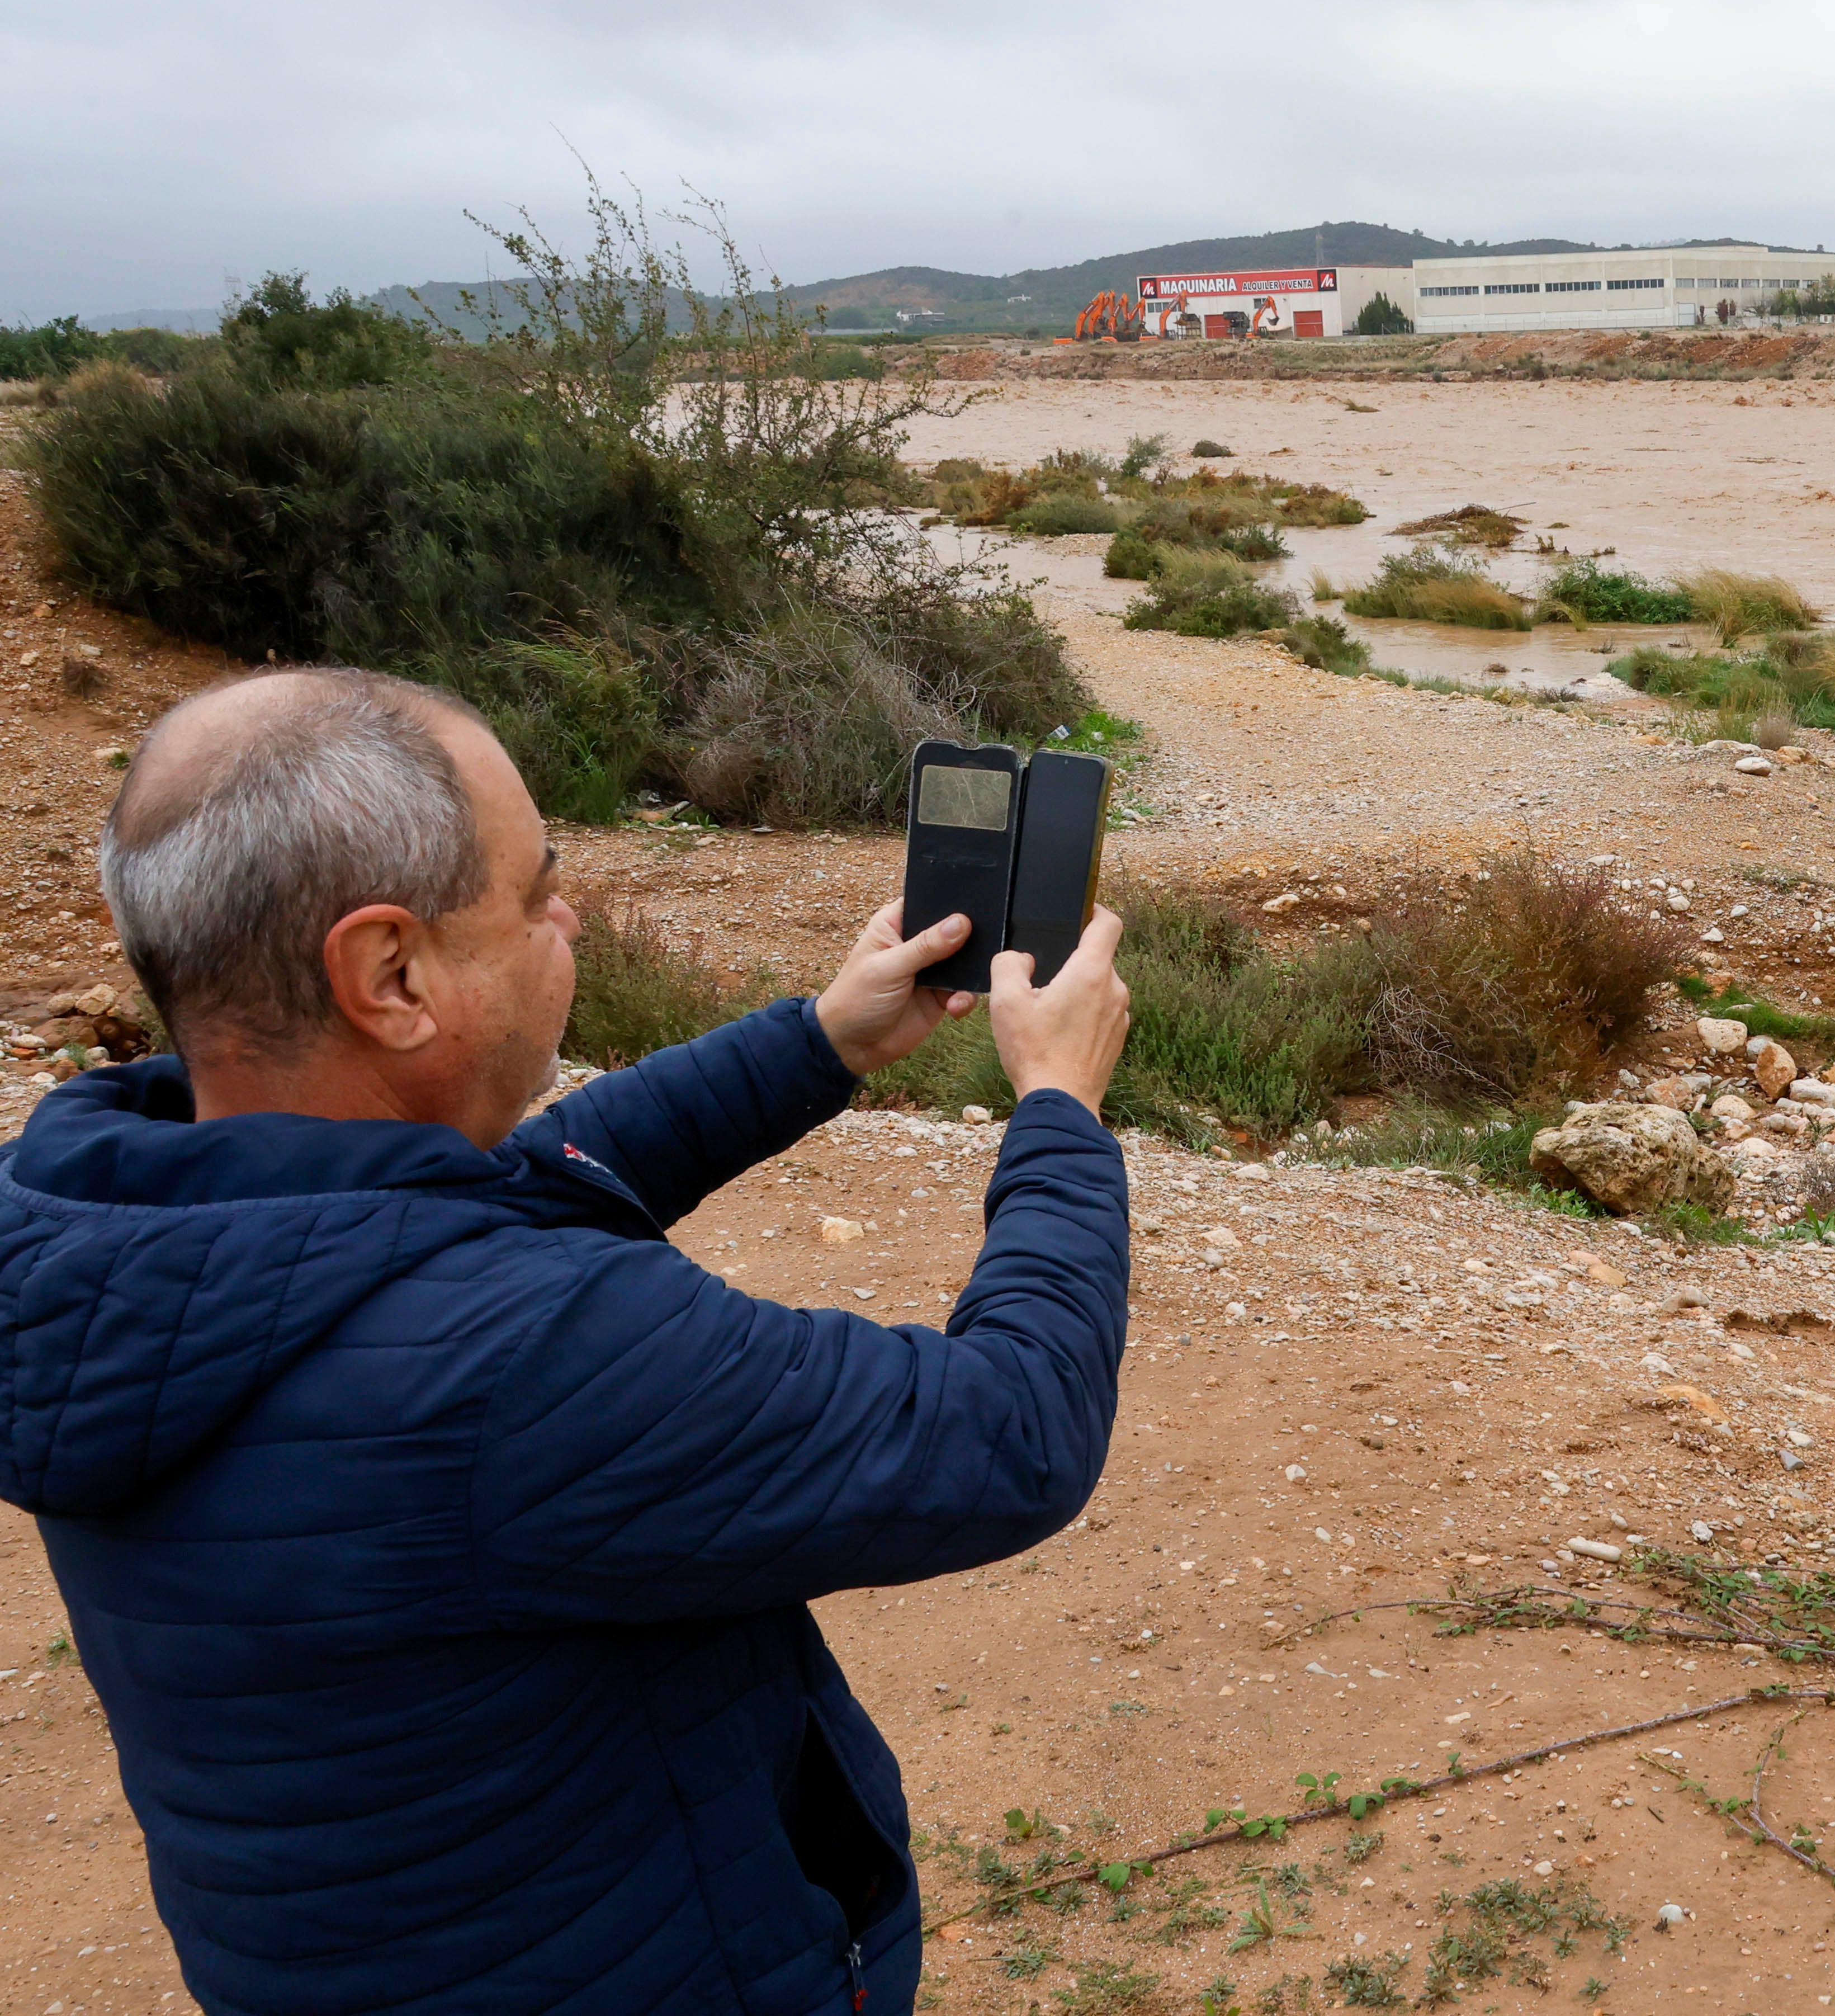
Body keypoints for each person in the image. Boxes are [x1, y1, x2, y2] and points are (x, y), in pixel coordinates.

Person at [0, 668, 1133, 2015]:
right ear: (390, 973)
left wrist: (819, 1044)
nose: (570, 914)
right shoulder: (527, 1360)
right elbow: (1007, 1431)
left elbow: (515, 1188)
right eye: (535, 893)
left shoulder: (108, 1234)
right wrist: (1059, 1109)